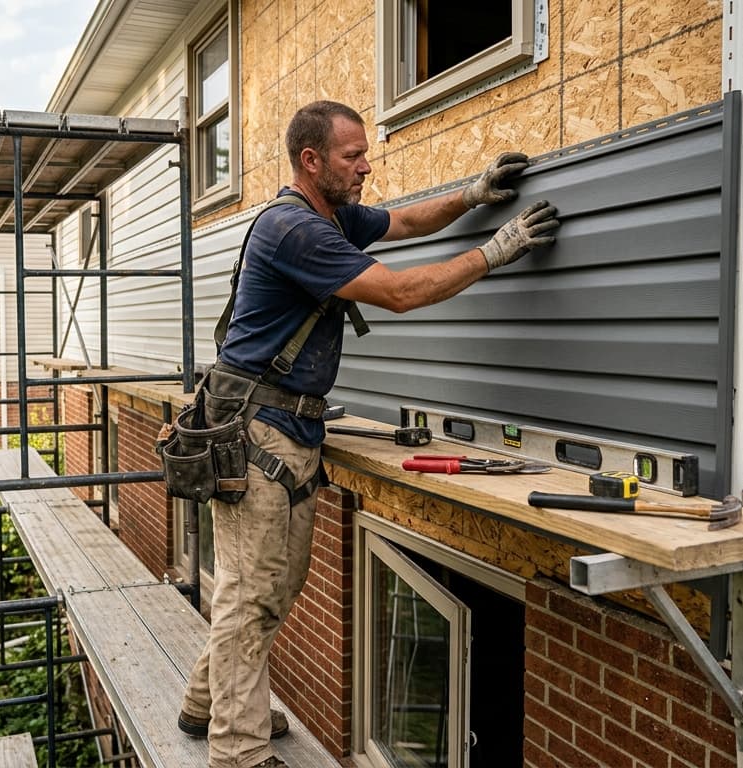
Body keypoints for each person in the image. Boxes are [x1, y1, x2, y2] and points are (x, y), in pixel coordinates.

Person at [176, 100, 559, 768]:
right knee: (251, 592)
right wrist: (493, 252)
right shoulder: (295, 230)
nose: (366, 166)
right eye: (352, 156)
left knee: (271, 587)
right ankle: (237, 749)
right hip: (257, 430)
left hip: (287, 426)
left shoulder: (332, 216)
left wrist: (471, 195)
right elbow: (401, 292)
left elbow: (405, 221)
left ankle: (212, 701)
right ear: (311, 161)